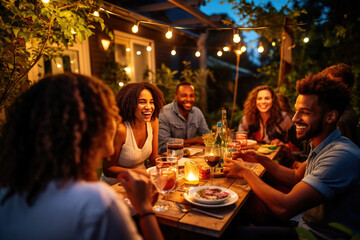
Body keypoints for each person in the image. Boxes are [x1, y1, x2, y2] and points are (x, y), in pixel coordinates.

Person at [0, 73, 164, 240]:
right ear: (91, 129)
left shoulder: (7, 197)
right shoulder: (98, 203)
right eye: (110, 113)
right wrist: (145, 210)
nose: (116, 119)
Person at [225, 73, 360, 239]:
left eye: (305, 112)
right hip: (303, 222)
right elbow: (296, 177)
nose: (295, 118)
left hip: (313, 235)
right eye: (296, 111)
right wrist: (259, 158)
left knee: (226, 233)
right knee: (243, 209)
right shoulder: (322, 144)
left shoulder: (340, 156)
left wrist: (245, 172)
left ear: (330, 116)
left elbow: (284, 208)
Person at [101, 82, 165, 185]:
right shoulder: (120, 130)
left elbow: (153, 158)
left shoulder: (153, 122)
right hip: (116, 186)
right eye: (142, 102)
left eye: (151, 102)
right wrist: (136, 173)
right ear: (129, 104)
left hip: (141, 182)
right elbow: (108, 169)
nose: (149, 107)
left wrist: (164, 163)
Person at [238, 85, 300, 150]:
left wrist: (283, 145)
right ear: (254, 101)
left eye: (267, 98)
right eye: (259, 98)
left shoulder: (284, 119)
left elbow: (298, 145)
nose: (263, 102)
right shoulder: (247, 118)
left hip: (278, 158)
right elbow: (240, 139)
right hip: (252, 156)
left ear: (273, 100)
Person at [158, 81, 210, 154]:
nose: (188, 99)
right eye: (184, 95)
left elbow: (207, 137)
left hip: (191, 156)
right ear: (176, 96)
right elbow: (163, 142)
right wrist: (194, 141)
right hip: (168, 158)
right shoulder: (164, 113)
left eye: (191, 96)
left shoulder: (197, 112)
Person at [320, 63, 359, 146]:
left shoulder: (341, 121)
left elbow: (343, 156)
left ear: (345, 89)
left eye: (331, 85)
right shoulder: (334, 114)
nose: (324, 89)